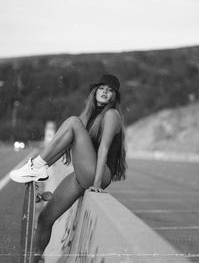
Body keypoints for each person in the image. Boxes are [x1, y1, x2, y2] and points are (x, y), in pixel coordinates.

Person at [10, 74, 127, 261]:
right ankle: (35, 260)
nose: (105, 92)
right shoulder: (89, 116)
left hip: (99, 173)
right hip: (82, 175)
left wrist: (97, 184)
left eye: (110, 90)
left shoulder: (112, 115)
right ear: (95, 91)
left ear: (114, 97)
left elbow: (104, 149)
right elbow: (70, 144)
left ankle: (37, 166)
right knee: (45, 219)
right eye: (102, 88)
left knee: (72, 121)